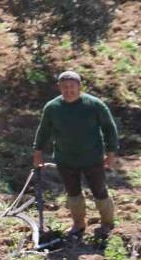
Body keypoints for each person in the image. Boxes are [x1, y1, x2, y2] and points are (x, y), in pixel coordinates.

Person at [33, 70, 119, 236]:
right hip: (66, 158)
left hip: (92, 157)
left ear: (80, 87)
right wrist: (37, 153)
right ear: (59, 88)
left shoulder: (94, 105)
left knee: (99, 191)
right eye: (65, 87)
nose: (68, 90)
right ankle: (78, 224)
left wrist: (111, 153)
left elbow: (109, 128)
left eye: (72, 86)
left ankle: (107, 223)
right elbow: (43, 131)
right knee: (73, 192)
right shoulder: (52, 107)